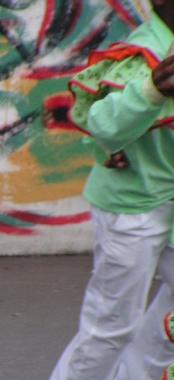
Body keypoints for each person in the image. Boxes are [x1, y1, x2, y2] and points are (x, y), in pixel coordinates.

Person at [50, 0, 174, 378]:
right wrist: (152, 91)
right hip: (133, 207)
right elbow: (100, 121)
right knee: (111, 328)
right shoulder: (145, 54)